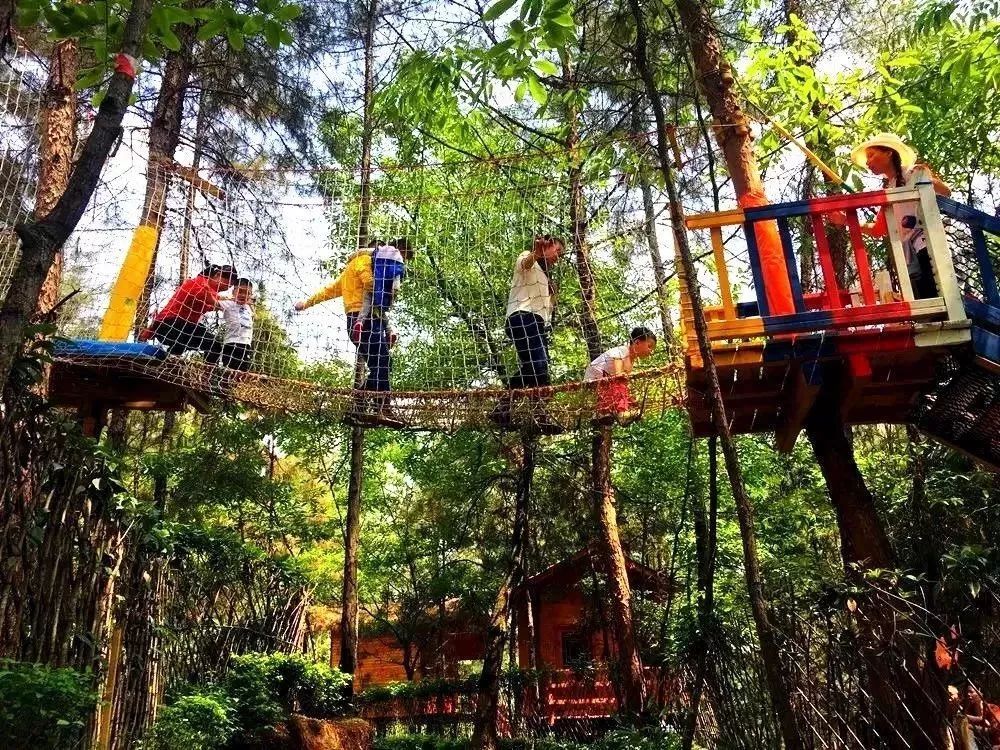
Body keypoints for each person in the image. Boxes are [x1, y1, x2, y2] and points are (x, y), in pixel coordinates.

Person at [830, 133, 951, 300]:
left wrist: (929, 181)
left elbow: (946, 192)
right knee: (924, 299)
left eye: (871, 155)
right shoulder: (889, 190)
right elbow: (878, 229)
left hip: (927, 245)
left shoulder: (915, 172)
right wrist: (845, 220)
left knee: (937, 294)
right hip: (908, 255)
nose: (868, 162)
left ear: (889, 153)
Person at [492, 234, 564, 433]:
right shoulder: (528, 258)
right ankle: (541, 415)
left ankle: (502, 408)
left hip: (536, 324)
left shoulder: (547, 278)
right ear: (546, 246)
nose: (558, 257)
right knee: (539, 365)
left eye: (561, 254)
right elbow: (525, 264)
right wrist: (536, 253)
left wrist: (553, 294)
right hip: (523, 317)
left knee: (533, 368)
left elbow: (546, 312)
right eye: (557, 251)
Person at [348, 237, 414, 424]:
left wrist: (389, 329)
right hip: (365, 321)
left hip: (371, 320)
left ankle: (378, 407)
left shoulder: (380, 265)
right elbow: (371, 296)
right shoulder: (369, 263)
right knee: (384, 363)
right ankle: (366, 400)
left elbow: (380, 309)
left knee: (382, 365)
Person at [139, 264, 237, 356]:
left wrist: (237, 302)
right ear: (218, 275)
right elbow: (213, 300)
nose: (226, 288)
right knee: (184, 339)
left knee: (213, 344)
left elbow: (218, 302)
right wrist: (233, 301)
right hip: (168, 325)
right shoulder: (199, 282)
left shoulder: (211, 292)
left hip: (184, 328)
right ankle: (170, 358)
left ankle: (204, 370)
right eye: (227, 283)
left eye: (230, 286)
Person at [293, 247, 374, 345]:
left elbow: (326, 291)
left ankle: (388, 332)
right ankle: (389, 331)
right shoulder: (364, 259)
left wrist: (306, 303)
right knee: (381, 357)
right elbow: (369, 282)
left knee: (370, 357)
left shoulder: (346, 274)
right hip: (369, 316)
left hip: (351, 319)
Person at [585, 326, 658, 425]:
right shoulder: (622, 351)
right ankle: (621, 412)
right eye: (649, 346)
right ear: (637, 342)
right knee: (620, 381)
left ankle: (602, 413)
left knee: (627, 396)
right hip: (594, 380)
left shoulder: (631, 361)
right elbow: (618, 376)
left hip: (604, 385)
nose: (651, 351)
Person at [215, 277, 255, 371]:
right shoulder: (228, 303)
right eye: (240, 291)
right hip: (232, 343)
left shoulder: (248, 307)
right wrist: (228, 298)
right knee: (229, 372)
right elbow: (214, 301)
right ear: (233, 291)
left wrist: (250, 302)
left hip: (246, 345)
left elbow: (253, 303)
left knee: (242, 373)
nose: (243, 295)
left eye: (247, 293)